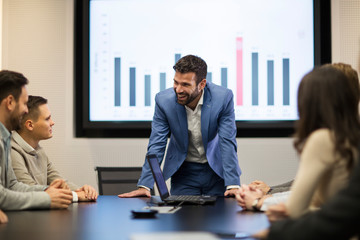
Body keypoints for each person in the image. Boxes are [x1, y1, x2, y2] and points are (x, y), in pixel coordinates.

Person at [237, 63, 360, 213]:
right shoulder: (349, 135)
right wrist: (268, 195)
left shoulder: (323, 139)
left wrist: (257, 202)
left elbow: (297, 206)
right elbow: (316, 198)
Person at [119, 55, 241, 197]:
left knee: (221, 215)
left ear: (202, 84)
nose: (178, 89)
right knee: (181, 216)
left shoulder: (223, 98)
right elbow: (157, 143)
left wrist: (233, 183)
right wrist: (145, 185)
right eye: (176, 83)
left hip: (215, 170)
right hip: (184, 172)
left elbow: (227, 141)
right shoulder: (163, 101)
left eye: (185, 85)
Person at [0, 70, 73, 210]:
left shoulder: (5, 137)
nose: (27, 111)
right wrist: (46, 198)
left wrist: (49, 191)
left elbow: (12, 186)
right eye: (25, 104)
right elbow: (2, 196)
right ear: (9, 102)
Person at [254, 152, 360, 240]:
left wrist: (260, 201)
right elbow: (298, 183)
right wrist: (270, 190)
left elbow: (298, 205)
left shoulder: (324, 138)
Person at [11, 95, 98, 202]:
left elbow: (59, 181)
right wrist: (75, 196)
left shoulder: (38, 150)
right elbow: (29, 190)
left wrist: (82, 191)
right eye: (47, 119)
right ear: (30, 125)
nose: (53, 123)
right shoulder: (11, 151)